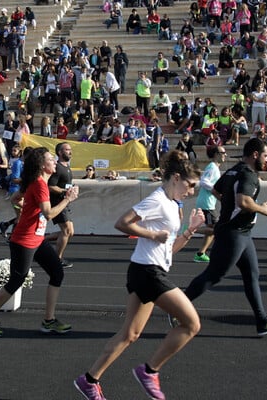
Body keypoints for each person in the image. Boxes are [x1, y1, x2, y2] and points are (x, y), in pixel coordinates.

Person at [74, 151, 205, 400]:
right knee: (191, 324)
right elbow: (122, 223)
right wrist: (152, 235)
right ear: (176, 178)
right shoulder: (156, 200)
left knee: (129, 335)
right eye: (189, 185)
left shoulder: (170, 204)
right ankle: (149, 371)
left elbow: (169, 250)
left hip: (145, 269)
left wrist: (190, 231)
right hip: (148, 272)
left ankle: (89, 380)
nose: (191, 191)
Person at [178, 138, 267, 336]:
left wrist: (230, 204)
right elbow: (244, 201)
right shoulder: (248, 174)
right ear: (255, 154)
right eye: (265, 155)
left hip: (242, 232)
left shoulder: (233, 170)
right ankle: (177, 308)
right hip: (233, 233)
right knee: (214, 275)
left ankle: (263, 321)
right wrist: (263, 210)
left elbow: (216, 190)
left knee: (252, 275)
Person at [0, 147, 80, 337]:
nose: (55, 162)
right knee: (17, 280)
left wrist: (26, 209)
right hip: (23, 241)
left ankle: (49, 320)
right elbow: (48, 214)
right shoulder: (40, 184)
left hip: (37, 239)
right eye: (51, 159)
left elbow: (16, 198)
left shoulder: (36, 182)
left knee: (57, 272)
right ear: (42, 165)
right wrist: (67, 199)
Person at [193, 145, 227, 263]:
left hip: (209, 203)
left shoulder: (215, 168)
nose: (225, 155)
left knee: (211, 230)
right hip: (206, 203)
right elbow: (203, 182)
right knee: (215, 229)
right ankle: (188, 230)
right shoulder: (212, 167)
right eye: (222, 152)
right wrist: (214, 191)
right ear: (216, 154)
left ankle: (200, 253)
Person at [48, 142, 75, 269]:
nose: (70, 151)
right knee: (66, 231)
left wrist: (73, 190)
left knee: (70, 232)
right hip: (58, 203)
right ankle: (56, 259)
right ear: (60, 152)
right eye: (67, 149)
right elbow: (51, 186)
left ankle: (41, 241)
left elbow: (66, 185)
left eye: (70, 149)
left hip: (66, 202)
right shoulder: (58, 167)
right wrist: (65, 192)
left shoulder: (67, 167)